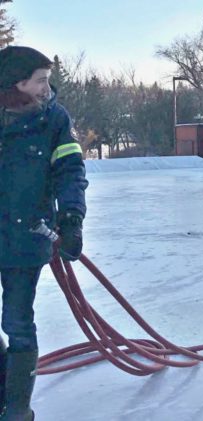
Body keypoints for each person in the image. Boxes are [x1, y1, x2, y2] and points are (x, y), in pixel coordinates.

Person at [0, 46, 88, 420]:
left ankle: (17, 410)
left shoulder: (54, 119)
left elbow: (70, 171)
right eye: (40, 80)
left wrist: (71, 218)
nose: (46, 87)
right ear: (17, 83)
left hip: (26, 239)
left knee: (17, 322)